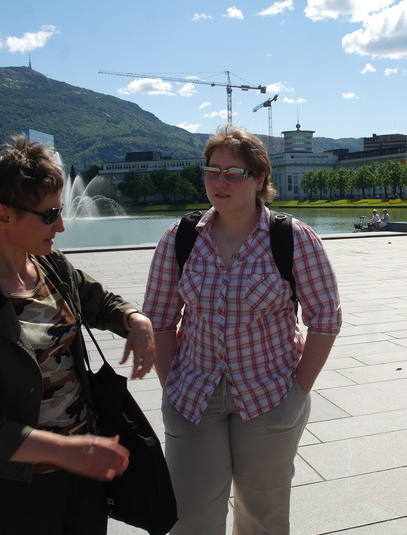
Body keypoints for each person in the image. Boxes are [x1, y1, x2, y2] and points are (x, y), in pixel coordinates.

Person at [0, 136, 156, 535]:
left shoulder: (50, 265)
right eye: (50, 214)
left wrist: (134, 319)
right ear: (3, 216)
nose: (61, 225)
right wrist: (67, 450)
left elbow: (100, 301)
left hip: (83, 477)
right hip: (15, 490)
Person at [143, 125, 342, 535]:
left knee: (262, 517)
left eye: (235, 173)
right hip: (193, 395)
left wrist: (298, 392)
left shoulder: (292, 238)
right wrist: (170, 385)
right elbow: (158, 319)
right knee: (190, 517)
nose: (221, 182)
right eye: (212, 171)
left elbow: (325, 318)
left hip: (270, 393)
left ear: (260, 179)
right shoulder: (180, 238)